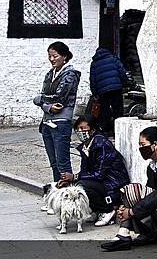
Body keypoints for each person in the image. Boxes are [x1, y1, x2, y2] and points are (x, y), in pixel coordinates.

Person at [34, 41, 81, 214]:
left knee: (63, 162)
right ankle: (57, 197)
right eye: (50, 57)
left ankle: (67, 199)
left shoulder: (70, 75)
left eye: (55, 56)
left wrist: (40, 99)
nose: (52, 59)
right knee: (54, 163)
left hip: (61, 122)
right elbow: (46, 99)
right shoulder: (49, 74)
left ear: (65, 57)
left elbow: (59, 97)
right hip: (47, 121)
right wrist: (45, 105)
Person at [59, 115, 130, 227]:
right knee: (77, 185)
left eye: (83, 128)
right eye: (78, 129)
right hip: (100, 181)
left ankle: (107, 210)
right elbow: (84, 171)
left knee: (82, 185)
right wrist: (70, 181)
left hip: (113, 182)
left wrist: (75, 177)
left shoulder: (102, 144)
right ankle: (96, 210)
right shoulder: (85, 147)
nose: (80, 131)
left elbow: (99, 174)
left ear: (92, 130)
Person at [89, 47, 128, 135]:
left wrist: (94, 93)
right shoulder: (113, 59)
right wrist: (124, 83)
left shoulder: (94, 63)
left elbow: (93, 80)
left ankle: (106, 130)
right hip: (116, 88)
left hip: (102, 91)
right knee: (118, 110)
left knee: (104, 111)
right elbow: (122, 72)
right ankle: (118, 130)